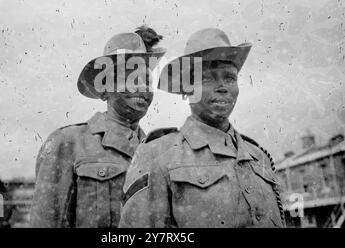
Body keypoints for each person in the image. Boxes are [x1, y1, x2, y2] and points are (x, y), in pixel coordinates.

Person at [119, 28, 285, 228]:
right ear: (187, 88)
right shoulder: (156, 155)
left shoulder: (259, 157)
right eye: (207, 78)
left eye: (230, 78)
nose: (222, 86)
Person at [30, 26, 166, 227]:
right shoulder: (67, 143)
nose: (141, 87)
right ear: (104, 90)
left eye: (147, 80)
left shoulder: (158, 152)